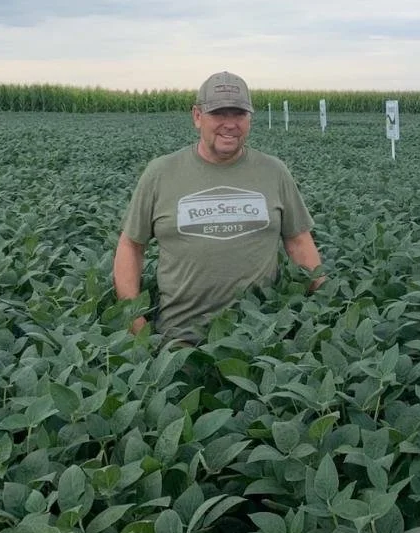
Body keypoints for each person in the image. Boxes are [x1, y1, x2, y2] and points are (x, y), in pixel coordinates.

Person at [113, 70, 324, 344]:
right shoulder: (161, 173)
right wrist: (134, 319)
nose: (230, 124)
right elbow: (131, 245)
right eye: (219, 113)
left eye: (239, 114)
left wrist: (325, 305)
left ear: (250, 118)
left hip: (261, 338)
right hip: (179, 341)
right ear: (197, 116)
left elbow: (298, 242)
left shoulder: (274, 172)